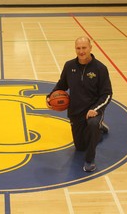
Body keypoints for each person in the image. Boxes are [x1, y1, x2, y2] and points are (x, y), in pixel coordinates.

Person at [46, 36, 113, 172]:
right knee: (80, 146)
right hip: (75, 111)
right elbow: (62, 85)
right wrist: (50, 97)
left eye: (84, 48)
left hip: (92, 111)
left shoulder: (100, 68)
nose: (81, 51)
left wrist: (96, 109)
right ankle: (99, 130)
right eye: (78, 48)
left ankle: (90, 160)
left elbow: (107, 94)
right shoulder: (69, 66)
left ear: (90, 48)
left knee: (92, 125)